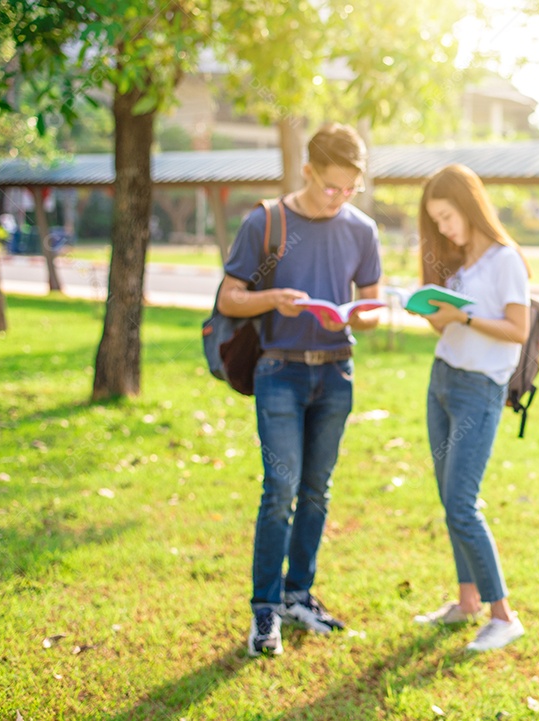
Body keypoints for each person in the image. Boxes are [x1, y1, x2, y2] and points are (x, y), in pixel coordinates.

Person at [217, 122, 383, 657]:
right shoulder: (266, 222)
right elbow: (229, 298)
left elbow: (372, 306)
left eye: (349, 189)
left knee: (317, 491)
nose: (339, 198)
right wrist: (274, 300)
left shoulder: (361, 229)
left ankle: (298, 595)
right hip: (279, 372)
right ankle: (264, 609)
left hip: (337, 372)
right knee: (281, 491)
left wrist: (360, 317)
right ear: (307, 171)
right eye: (330, 186)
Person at [411, 163, 531, 652]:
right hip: (442, 381)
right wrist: (433, 312)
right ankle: (466, 602)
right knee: (448, 500)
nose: (443, 227)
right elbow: (448, 329)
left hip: (480, 390)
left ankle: (503, 615)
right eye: (436, 221)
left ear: (468, 205)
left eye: (447, 216)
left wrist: (462, 313)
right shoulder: (460, 265)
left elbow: (517, 330)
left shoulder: (506, 259)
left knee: (462, 504)